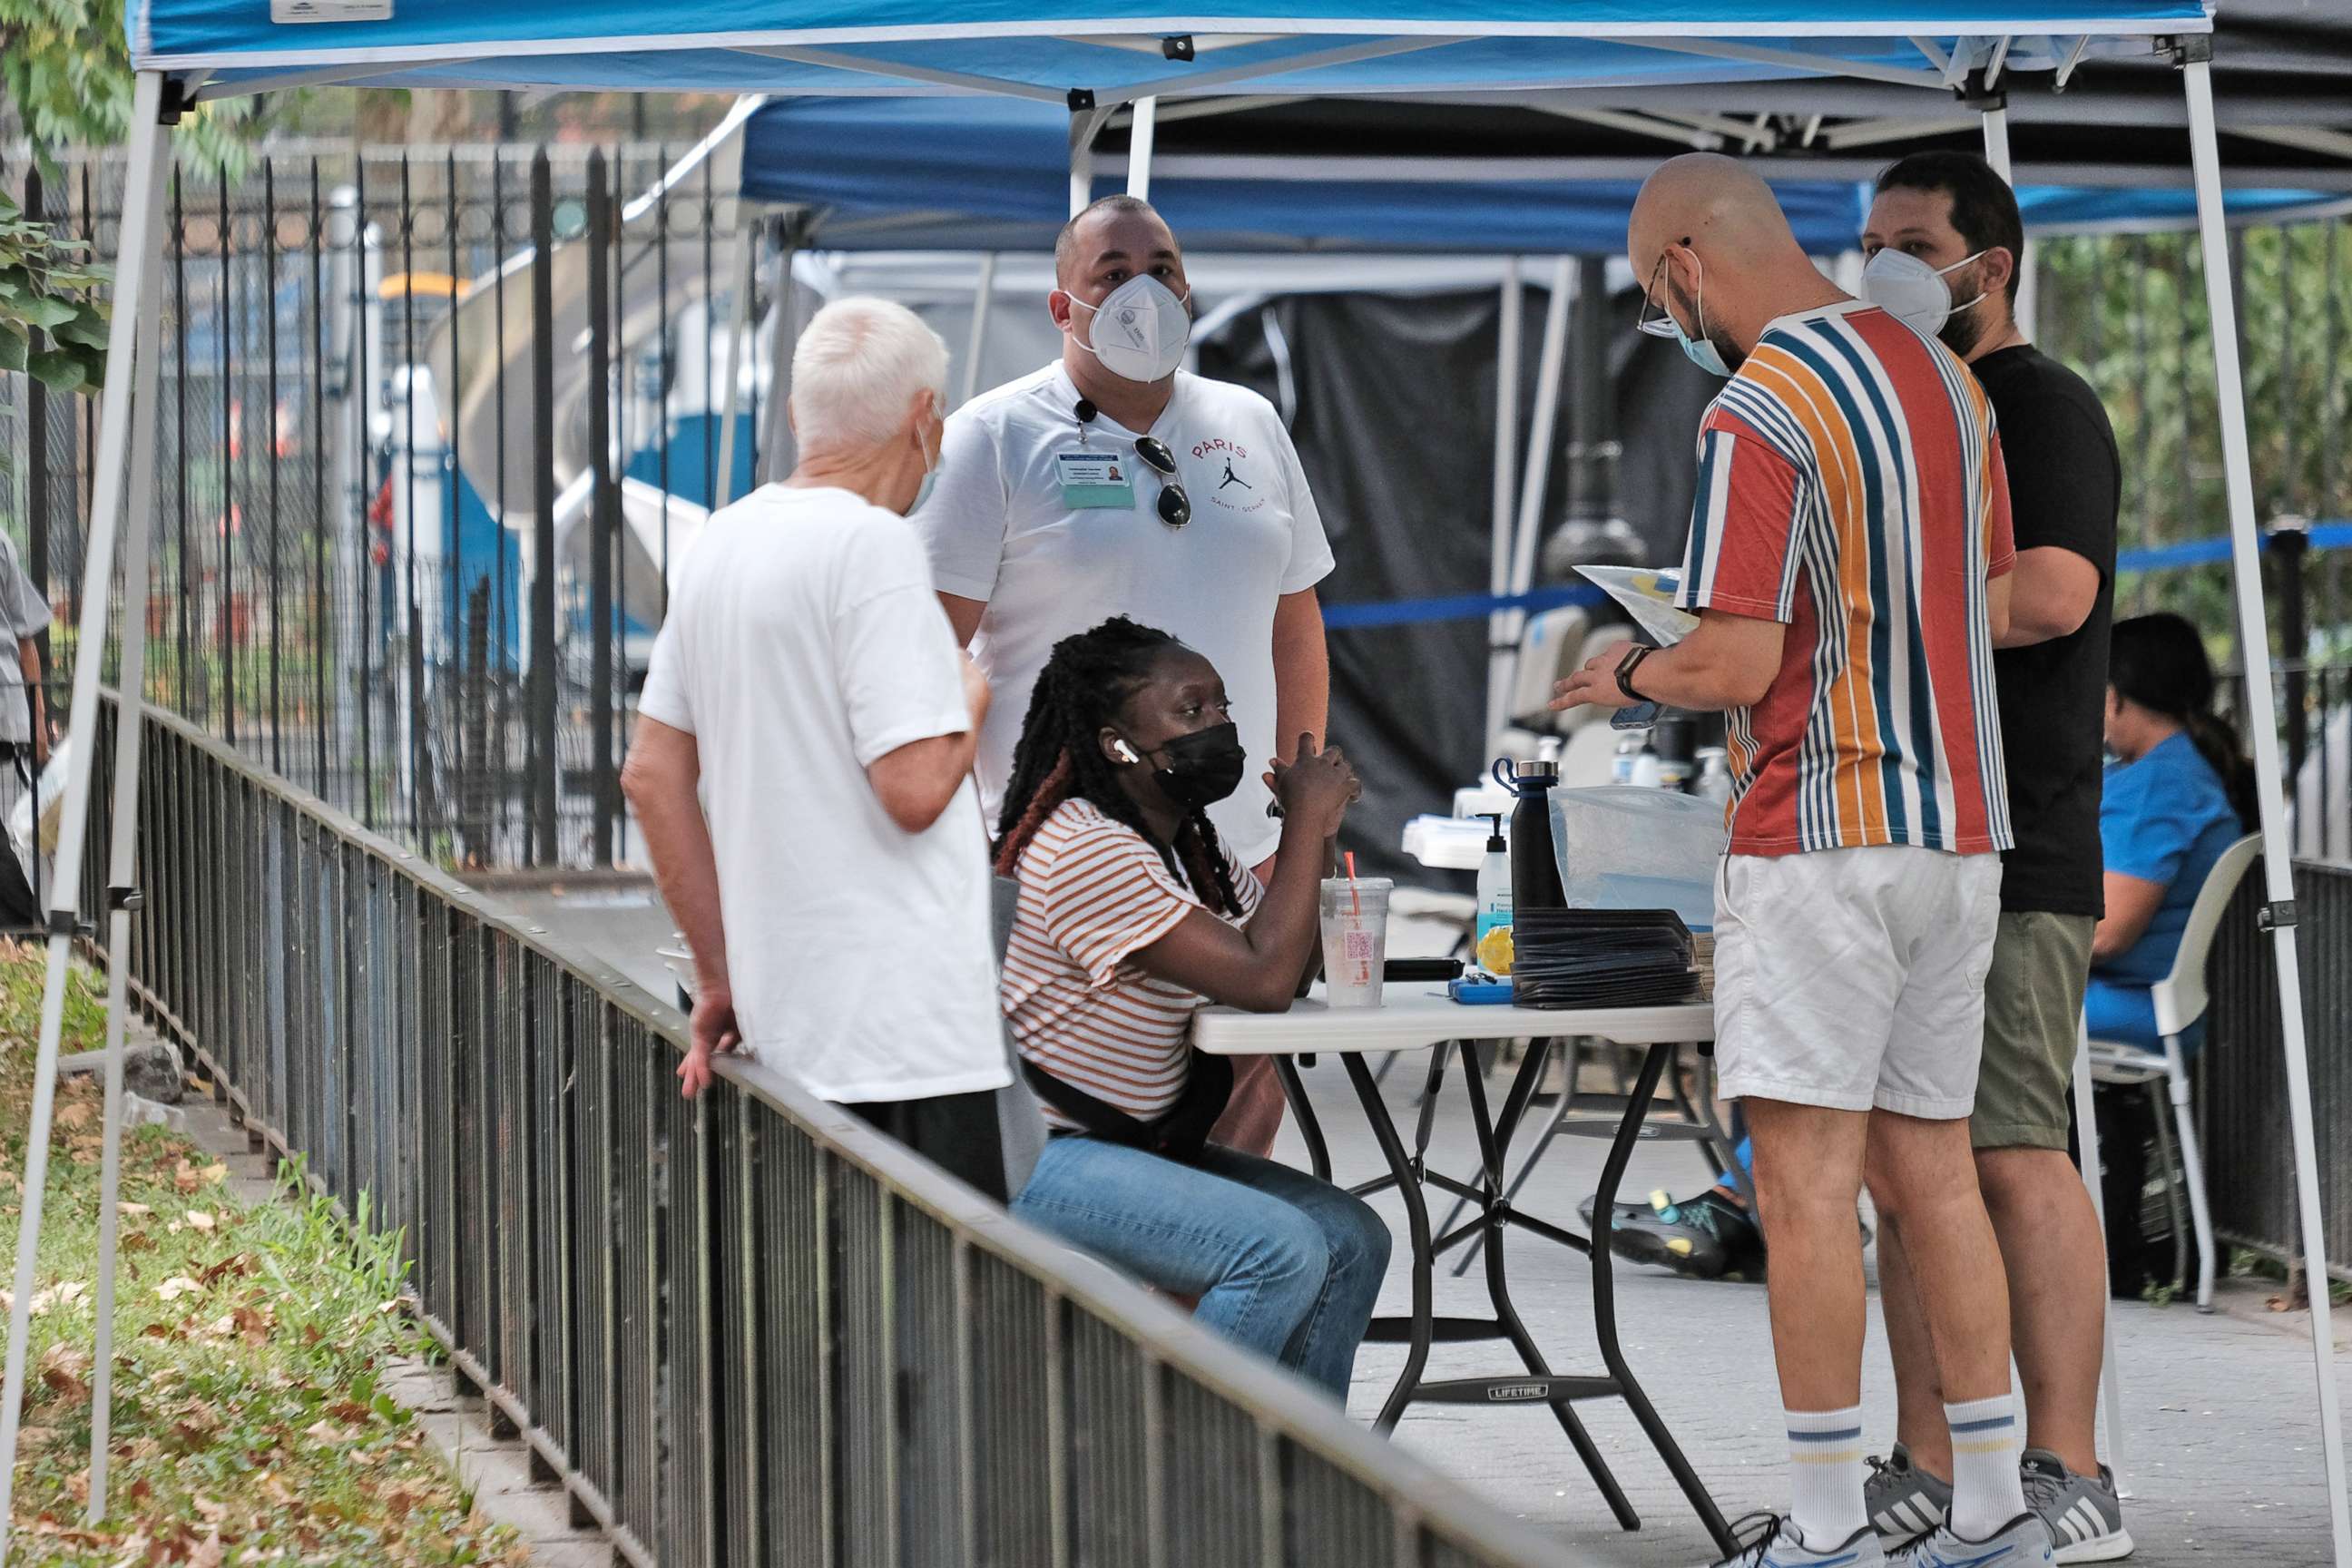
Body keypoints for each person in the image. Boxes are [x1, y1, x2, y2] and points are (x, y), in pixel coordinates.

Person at [1553, 153, 2046, 1568]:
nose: (1675, 319)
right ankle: (1997, 1514)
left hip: (1822, 832)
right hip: (1961, 830)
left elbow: (1740, 659)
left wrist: (1632, 673)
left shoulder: (1757, 405)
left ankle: (1825, 1529)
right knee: (1936, 1175)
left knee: (1805, 1188)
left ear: (1687, 269)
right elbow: (2000, 596)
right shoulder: (1950, 379)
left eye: (1662, 297)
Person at [911, 194, 1334, 1160]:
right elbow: (927, 654)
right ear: (1064, 306)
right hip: (1070, 869)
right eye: (1113, 273)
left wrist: (1288, 817)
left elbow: (1298, 627)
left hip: (1232, 854)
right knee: (1093, 1137)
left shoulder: (1250, 421)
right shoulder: (996, 438)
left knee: (1239, 1118)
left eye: (1166, 267)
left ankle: (1211, 1309)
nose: (1146, 289)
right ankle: (1115, 1307)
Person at [1850, 151, 2132, 1563]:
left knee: (2014, 1151)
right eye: (1870, 242)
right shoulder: (1907, 413)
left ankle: (2070, 1466)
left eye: (1912, 243)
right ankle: (1928, 1454)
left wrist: (1862, 602)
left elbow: (2052, 595)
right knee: (1909, 1166)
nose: (1881, 267)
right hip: (1903, 839)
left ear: (1989, 265)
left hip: (2020, 850)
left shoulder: (2038, 404)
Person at [622, 297, 1014, 1199]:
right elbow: (914, 789)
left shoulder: (724, 538)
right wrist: (973, 694)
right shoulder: (875, 545)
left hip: (783, 1020)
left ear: (798, 417)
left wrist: (720, 977)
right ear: (926, 419)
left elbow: (651, 776)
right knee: (936, 1328)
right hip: (904, 1044)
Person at [994, 616, 1389, 1401]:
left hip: (1135, 1144)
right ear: (1118, 744)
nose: (1221, 728)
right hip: (1044, 1151)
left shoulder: (1184, 846)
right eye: (1192, 711)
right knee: (1276, 1251)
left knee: (1350, 1237)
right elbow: (1264, 981)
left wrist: (1312, 835)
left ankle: (1302, 1489)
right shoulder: (1087, 846)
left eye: (1224, 709)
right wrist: (1305, 822)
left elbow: (1295, 962)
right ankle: (1184, 1478)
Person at [2086, 613, 2259, 1047]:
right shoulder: (2186, 768)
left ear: (2113, 698)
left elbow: (2107, 935)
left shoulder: (2159, 786)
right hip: (2150, 999)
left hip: (2135, 1004)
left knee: (1965, 1011)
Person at [0, 530, 50, 926]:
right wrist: (37, 717)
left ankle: (22, 924)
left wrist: (38, 719)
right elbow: (25, 637)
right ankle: (21, 925)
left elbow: (24, 639)